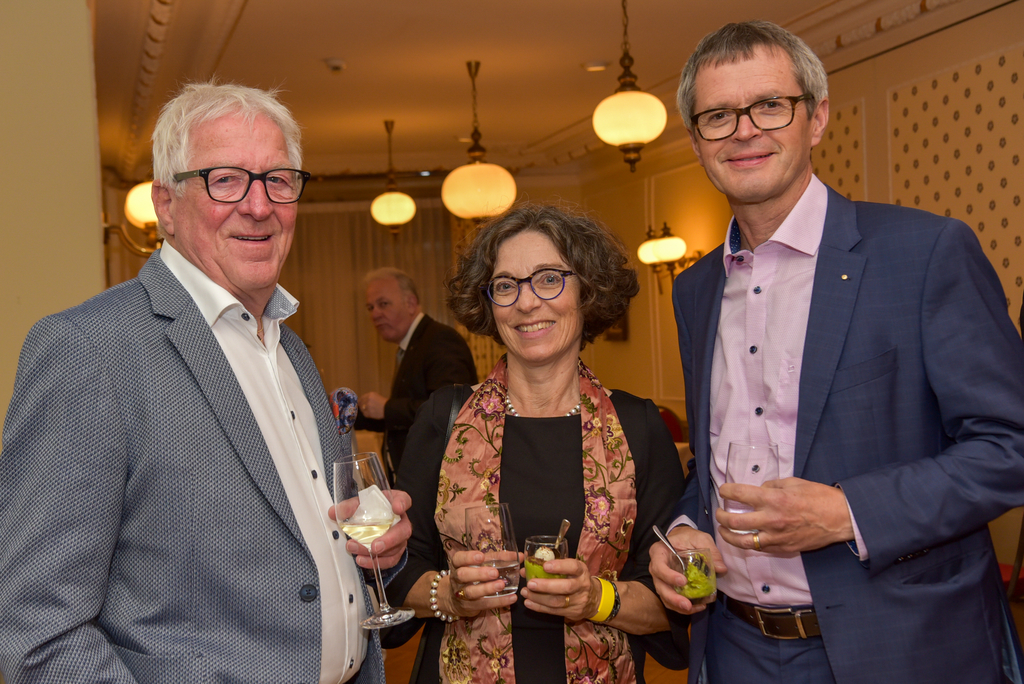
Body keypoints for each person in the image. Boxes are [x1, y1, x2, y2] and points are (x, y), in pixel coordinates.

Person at [649, 20, 1024, 684]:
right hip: (735, 649)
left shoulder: (923, 254)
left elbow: (1010, 446)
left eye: (769, 106)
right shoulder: (696, 289)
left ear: (816, 118)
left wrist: (847, 511)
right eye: (717, 116)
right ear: (696, 140)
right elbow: (715, 465)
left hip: (900, 649)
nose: (743, 131)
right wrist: (683, 528)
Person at [0, 82, 411, 684]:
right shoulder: (90, 349)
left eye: (277, 179)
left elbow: (305, 549)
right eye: (225, 180)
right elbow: (36, 626)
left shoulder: (289, 347)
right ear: (166, 204)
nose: (259, 205)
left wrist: (378, 555)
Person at [386, 203, 688, 684]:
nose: (526, 303)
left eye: (548, 279)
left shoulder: (638, 426)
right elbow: (396, 577)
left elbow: (674, 606)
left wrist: (596, 599)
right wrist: (450, 595)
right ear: (489, 305)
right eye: (506, 286)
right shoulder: (444, 417)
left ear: (587, 291)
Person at [355, 268, 477, 477]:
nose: (374, 314)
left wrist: (387, 408)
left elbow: (451, 412)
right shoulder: (410, 345)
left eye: (383, 304)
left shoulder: (439, 340)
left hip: (440, 484)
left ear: (410, 304)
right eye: (370, 307)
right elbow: (408, 417)